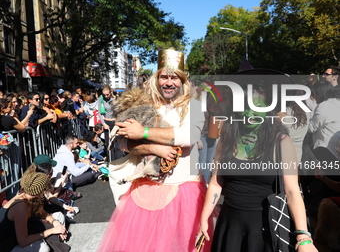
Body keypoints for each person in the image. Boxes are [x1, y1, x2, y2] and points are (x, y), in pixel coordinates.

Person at [97, 49, 206, 251]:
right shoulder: (144, 105)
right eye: (164, 76)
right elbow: (121, 141)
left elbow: (188, 137)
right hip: (146, 188)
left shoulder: (194, 105)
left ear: (182, 81)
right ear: (157, 79)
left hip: (184, 190)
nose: (169, 82)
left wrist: (143, 131)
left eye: (174, 77)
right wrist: (154, 147)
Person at [197, 79, 317, 252]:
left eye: (257, 107)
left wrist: (303, 236)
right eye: (244, 107)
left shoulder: (281, 141)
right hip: (230, 226)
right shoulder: (227, 139)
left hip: (265, 230)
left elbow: (292, 191)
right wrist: (204, 219)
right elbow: (216, 183)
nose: (249, 113)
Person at [0, 172, 68, 252]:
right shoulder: (21, 207)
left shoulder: (26, 195)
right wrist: (51, 231)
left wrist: (55, 222)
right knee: (43, 248)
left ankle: (56, 238)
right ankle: (55, 239)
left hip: (22, 233)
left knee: (59, 216)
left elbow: (42, 213)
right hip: (9, 247)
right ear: (41, 191)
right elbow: (23, 241)